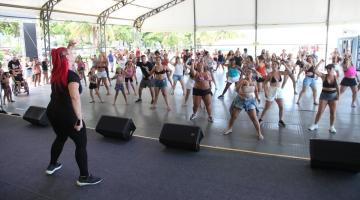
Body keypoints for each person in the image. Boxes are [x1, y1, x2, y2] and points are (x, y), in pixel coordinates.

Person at [46, 47, 102, 186]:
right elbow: (75, 98)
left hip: (53, 112)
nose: (75, 54)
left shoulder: (56, 71)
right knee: (81, 144)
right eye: (72, 53)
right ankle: (84, 177)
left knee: (61, 137)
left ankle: (52, 165)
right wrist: (79, 119)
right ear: (67, 57)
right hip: (67, 115)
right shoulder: (71, 76)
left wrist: (70, 46)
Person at [223, 69, 263, 140]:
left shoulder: (254, 82)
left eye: (249, 73)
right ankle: (230, 128)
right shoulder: (242, 80)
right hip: (240, 100)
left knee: (254, 117)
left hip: (250, 100)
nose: (247, 74)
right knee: (234, 116)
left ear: (252, 75)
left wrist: (258, 98)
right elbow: (236, 89)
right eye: (246, 73)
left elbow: (256, 91)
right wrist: (241, 86)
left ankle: (259, 133)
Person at [308, 64, 340, 133]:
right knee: (320, 112)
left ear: (333, 69)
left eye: (330, 69)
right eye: (327, 69)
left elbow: (338, 87)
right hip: (324, 96)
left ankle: (332, 127)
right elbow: (314, 70)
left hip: (333, 97)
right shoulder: (324, 76)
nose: (328, 70)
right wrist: (319, 63)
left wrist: (338, 96)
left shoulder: (335, 77)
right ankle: (315, 124)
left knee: (333, 112)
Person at [258, 60, 287, 127]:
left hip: (279, 91)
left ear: (278, 65)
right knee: (267, 107)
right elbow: (264, 83)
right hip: (272, 90)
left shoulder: (280, 72)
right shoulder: (270, 74)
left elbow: (289, 72)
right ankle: (260, 119)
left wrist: (285, 65)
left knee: (281, 107)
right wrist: (265, 92)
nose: (273, 65)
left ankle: (280, 120)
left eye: (275, 64)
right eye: (273, 64)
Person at [189, 58, 214, 122]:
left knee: (208, 104)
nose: (200, 66)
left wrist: (210, 85)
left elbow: (210, 80)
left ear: (203, 66)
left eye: (201, 65)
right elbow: (192, 70)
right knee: (196, 105)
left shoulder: (207, 72)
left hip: (206, 90)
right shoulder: (196, 73)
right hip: (197, 90)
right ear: (197, 66)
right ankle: (194, 114)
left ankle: (210, 116)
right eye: (198, 65)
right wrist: (192, 63)